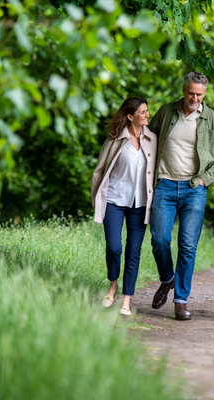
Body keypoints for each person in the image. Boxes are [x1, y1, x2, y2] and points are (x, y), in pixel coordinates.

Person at [148, 71, 214, 320]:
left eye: (200, 94)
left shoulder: (212, 119)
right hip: (164, 185)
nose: (195, 98)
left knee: (187, 246)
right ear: (184, 90)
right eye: (191, 93)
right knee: (159, 239)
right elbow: (147, 137)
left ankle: (181, 300)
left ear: (204, 93)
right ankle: (167, 278)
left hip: (194, 188)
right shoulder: (166, 111)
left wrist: (205, 179)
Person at [91, 97, 157, 316]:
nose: (147, 115)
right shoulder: (115, 139)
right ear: (130, 116)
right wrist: (97, 200)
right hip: (114, 200)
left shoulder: (152, 140)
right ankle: (113, 284)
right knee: (114, 247)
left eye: (147, 111)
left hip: (140, 204)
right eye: (143, 112)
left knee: (133, 252)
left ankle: (127, 300)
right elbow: (100, 170)